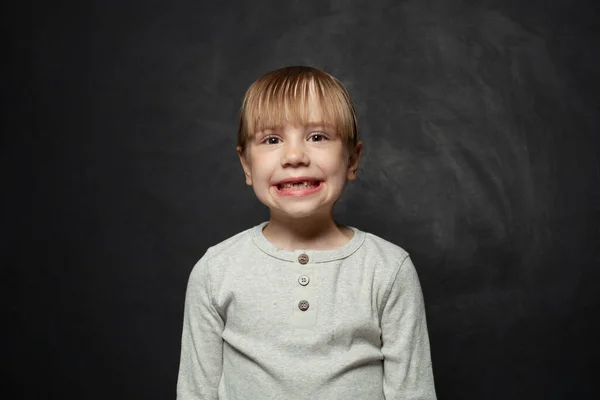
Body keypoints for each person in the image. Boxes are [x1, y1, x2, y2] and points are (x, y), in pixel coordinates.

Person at [177, 66, 437, 399]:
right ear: (246, 165)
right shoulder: (216, 271)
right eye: (272, 139)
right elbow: (195, 393)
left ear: (352, 159)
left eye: (318, 137)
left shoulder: (388, 269)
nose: (295, 156)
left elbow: (413, 393)